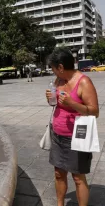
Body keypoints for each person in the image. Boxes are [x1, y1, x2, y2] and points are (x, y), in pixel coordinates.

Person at [45, 48, 99, 206]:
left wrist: (73, 104)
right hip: (57, 135)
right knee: (58, 174)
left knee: (78, 177)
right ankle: (59, 204)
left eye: (54, 69)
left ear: (60, 67)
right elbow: (54, 104)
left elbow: (95, 112)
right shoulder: (59, 81)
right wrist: (50, 99)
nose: (54, 72)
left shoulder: (84, 82)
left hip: (77, 136)